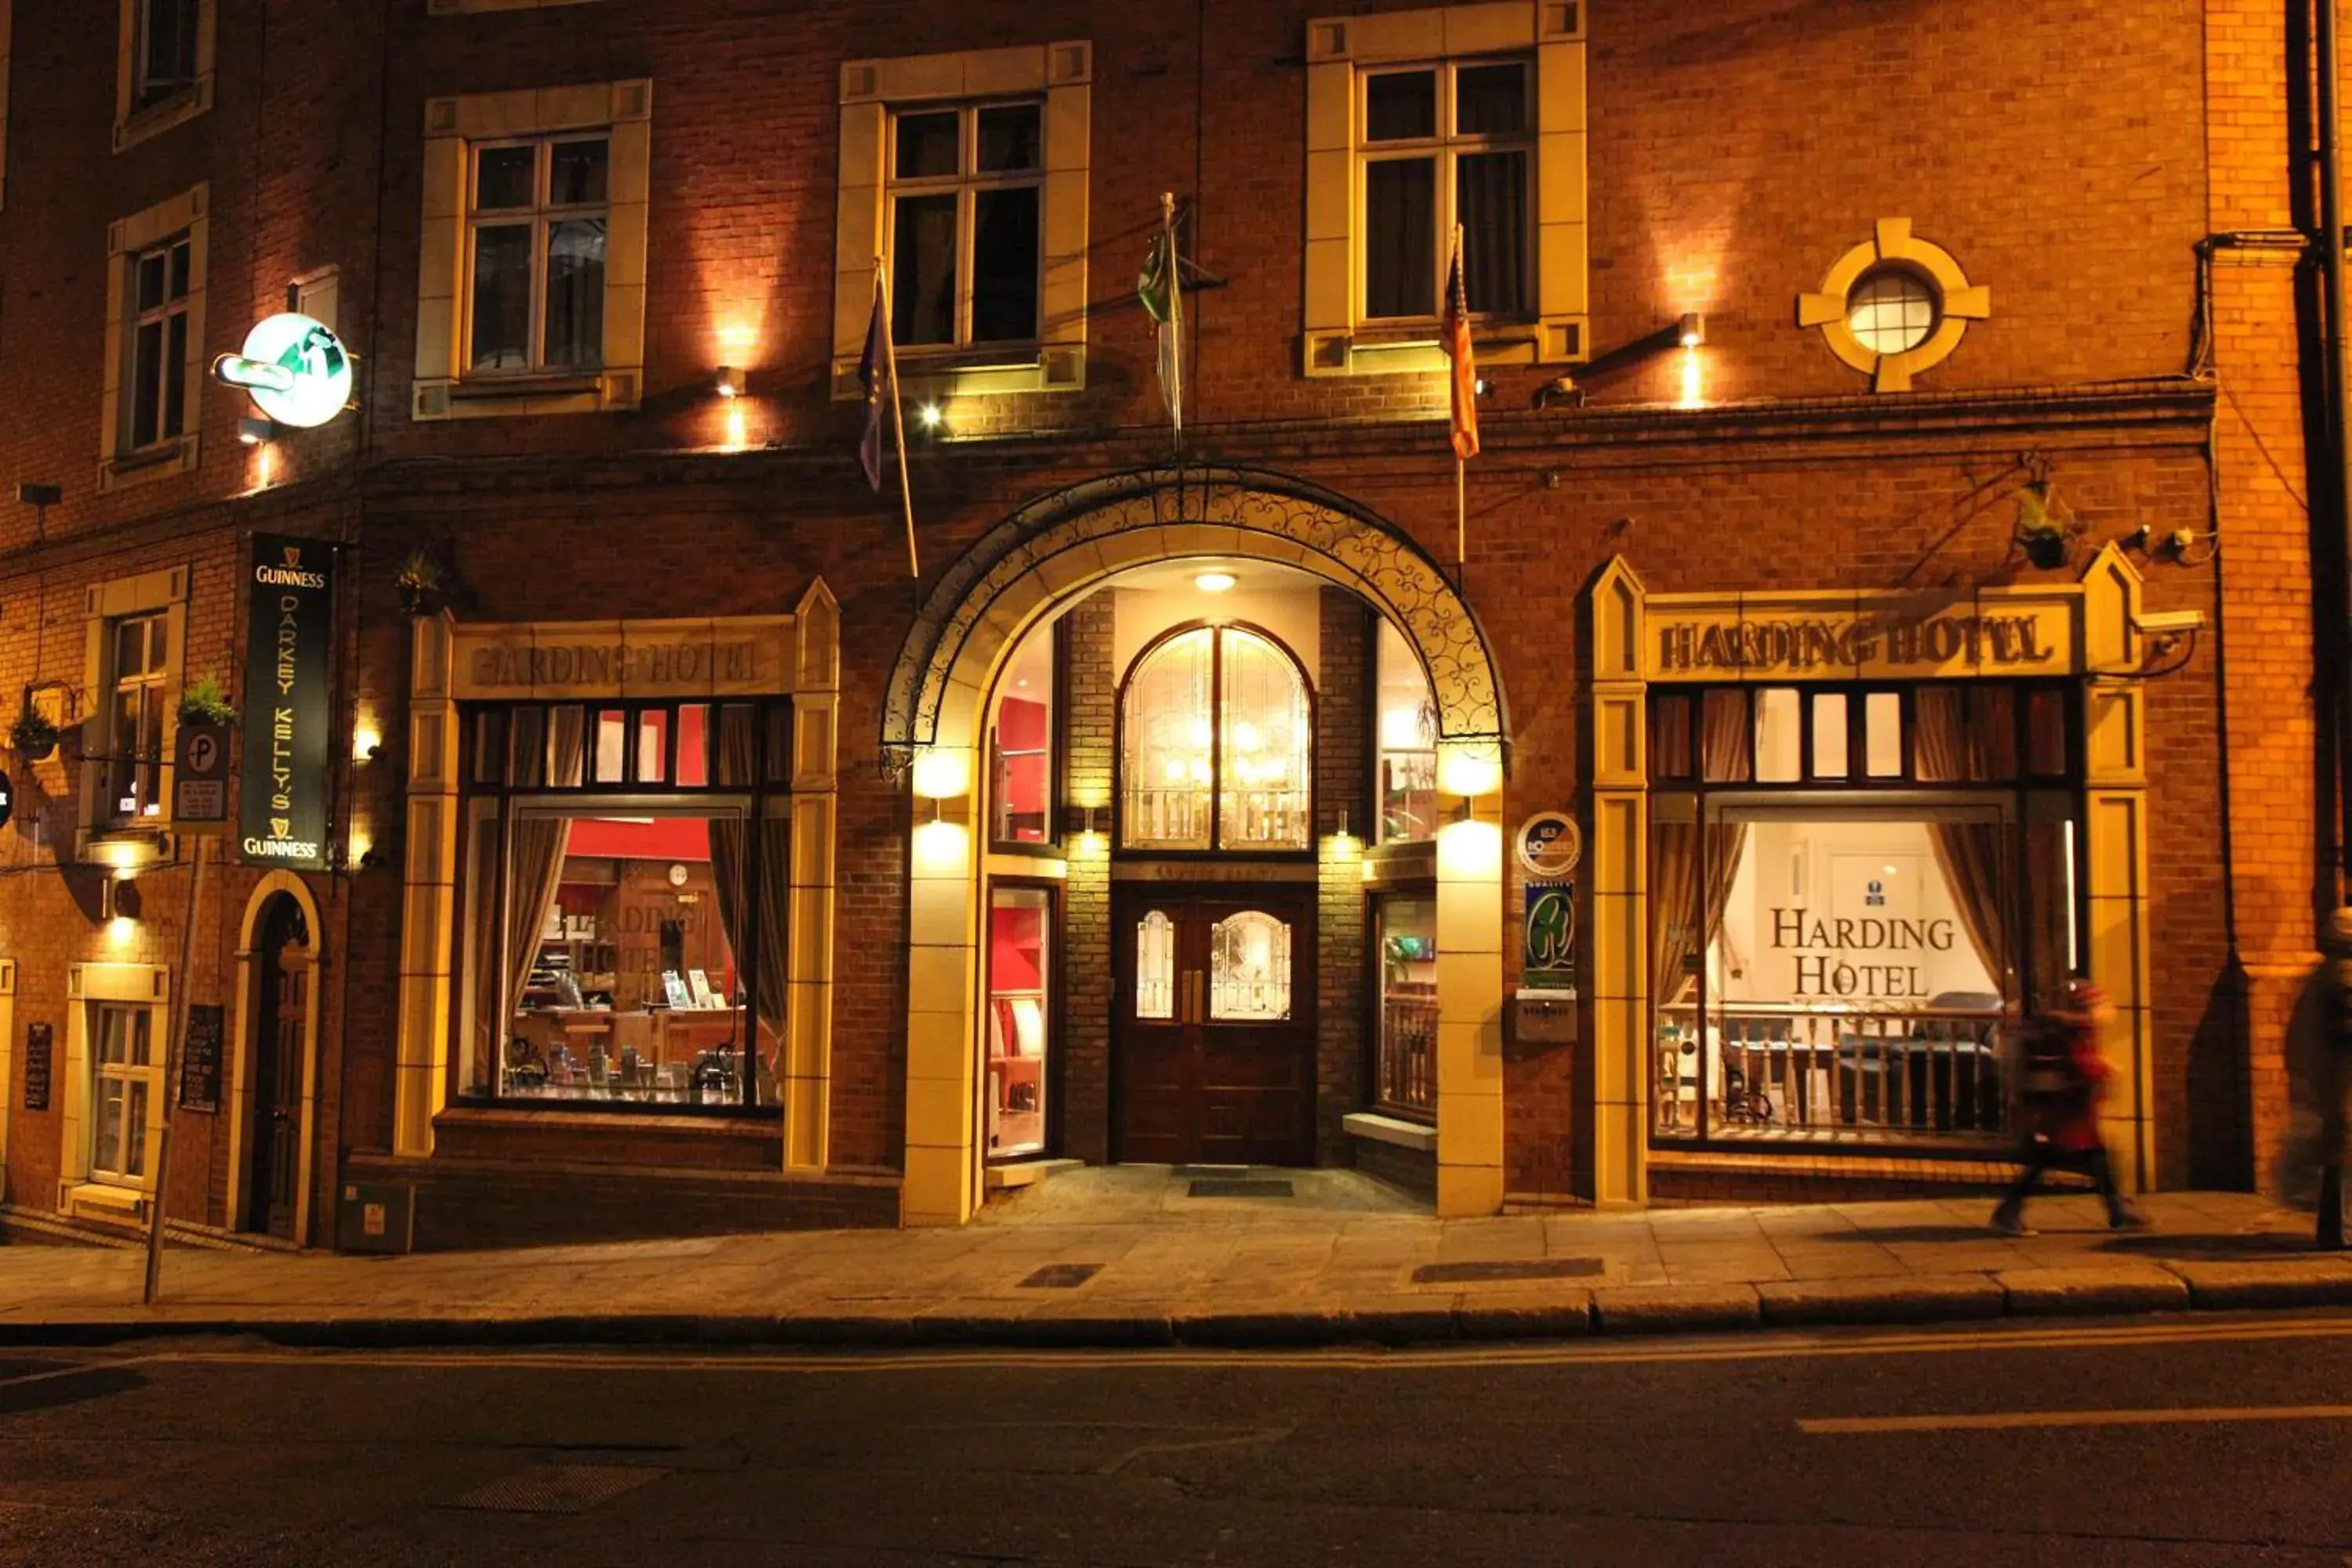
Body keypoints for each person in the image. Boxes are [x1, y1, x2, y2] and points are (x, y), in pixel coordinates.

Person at [1991, 978, 2146, 1236]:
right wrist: (2106, 1072)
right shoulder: (2072, 1031)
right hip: (2069, 1110)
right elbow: (2080, 1064)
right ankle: (2008, 1211)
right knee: (2072, 1158)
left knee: (2085, 1158)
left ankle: (2118, 1211)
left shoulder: (2067, 1028)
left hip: (2069, 1109)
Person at [2310, 909, 2352, 1250]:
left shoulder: (2329, 972)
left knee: (2340, 1151)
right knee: (2345, 1152)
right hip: (2345, 1077)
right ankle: (2342, 1231)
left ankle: (2334, 1229)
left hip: (2336, 1076)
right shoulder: (2345, 975)